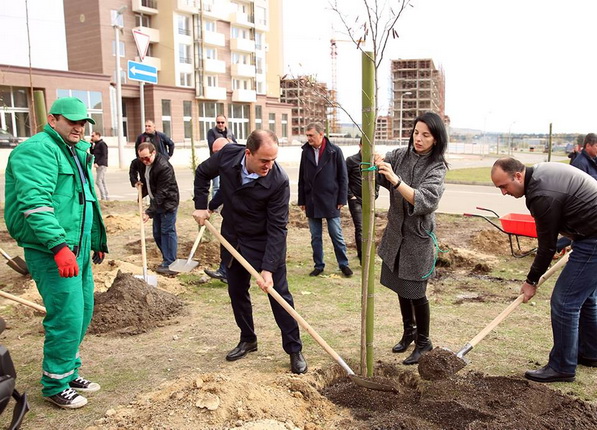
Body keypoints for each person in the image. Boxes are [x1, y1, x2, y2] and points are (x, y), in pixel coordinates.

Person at [4, 97, 108, 409]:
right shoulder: (37, 150)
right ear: (53, 119)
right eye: (71, 121)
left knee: (83, 312)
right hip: (53, 252)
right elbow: (35, 205)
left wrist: (95, 240)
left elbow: (84, 200)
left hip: (78, 249)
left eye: (82, 123)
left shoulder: (76, 151)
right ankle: (54, 384)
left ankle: (67, 371)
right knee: (66, 316)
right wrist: (59, 247)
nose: (78, 127)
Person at [192, 129, 307, 374]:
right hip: (233, 236)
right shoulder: (227, 156)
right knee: (236, 291)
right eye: (264, 160)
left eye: (273, 160)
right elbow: (203, 173)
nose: (269, 165)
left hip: (263, 240)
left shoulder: (278, 181)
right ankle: (248, 339)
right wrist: (203, 206)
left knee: (279, 295)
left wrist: (268, 269)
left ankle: (294, 349)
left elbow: (278, 228)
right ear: (248, 153)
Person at [491, 157, 597, 383]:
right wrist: (568, 239)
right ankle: (590, 352)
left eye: (504, 186)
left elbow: (546, 247)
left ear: (518, 176)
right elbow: (568, 212)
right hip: (588, 233)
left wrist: (531, 281)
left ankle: (562, 367)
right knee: (585, 297)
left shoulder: (540, 195)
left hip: (593, 238)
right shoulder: (540, 173)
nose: (503, 192)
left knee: (565, 301)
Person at [374, 112, 448, 365]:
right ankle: (409, 332)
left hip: (417, 240)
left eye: (425, 135)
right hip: (396, 235)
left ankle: (424, 342)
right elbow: (382, 161)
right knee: (401, 288)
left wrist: (395, 180)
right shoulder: (401, 155)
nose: (419, 138)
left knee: (416, 292)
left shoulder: (437, 167)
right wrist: (377, 160)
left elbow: (425, 199)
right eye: (416, 132)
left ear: (436, 139)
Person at [298, 122, 352, 277]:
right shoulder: (305, 152)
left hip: (331, 200)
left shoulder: (335, 151)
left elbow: (343, 177)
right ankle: (318, 265)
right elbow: (302, 177)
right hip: (312, 200)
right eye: (307, 135)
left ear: (321, 135)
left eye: (311, 135)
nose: (308, 138)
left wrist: (342, 198)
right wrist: (302, 200)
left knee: (336, 234)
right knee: (315, 236)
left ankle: (344, 264)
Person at [129, 142, 180, 275]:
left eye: (147, 158)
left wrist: (149, 212)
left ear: (154, 153)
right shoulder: (140, 161)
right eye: (142, 158)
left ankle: (170, 264)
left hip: (168, 202)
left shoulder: (164, 167)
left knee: (167, 232)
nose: (145, 161)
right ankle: (167, 259)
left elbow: (162, 193)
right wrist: (135, 180)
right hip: (155, 201)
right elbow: (133, 166)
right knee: (157, 233)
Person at [346, 139, 379, 263]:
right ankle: (362, 257)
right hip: (356, 200)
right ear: (360, 145)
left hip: (370, 200)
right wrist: (351, 195)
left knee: (370, 226)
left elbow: (377, 178)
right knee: (360, 227)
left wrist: (375, 193)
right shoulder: (351, 160)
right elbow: (344, 179)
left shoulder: (373, 161)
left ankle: (368, 253)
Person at [204, 137, 230, 283]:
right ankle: (224, 271)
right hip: (231, 214)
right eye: (214, 153)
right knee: (226, 240)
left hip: (246, 214)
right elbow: (222, 190)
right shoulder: (224, 167)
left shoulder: (237, 164)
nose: (216, 157)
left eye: (219, 152)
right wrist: (211, 207)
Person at [207, 115, 237, 198]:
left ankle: (225, 204)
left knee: (227, 185)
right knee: (216, 186)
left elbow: (235, 145)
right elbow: (212, 145)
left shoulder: (229, 132)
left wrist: (230, 142)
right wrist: (226, 143)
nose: (220, 124)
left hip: (228, 163)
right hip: (216, 162)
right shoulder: (211, 132)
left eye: (222, 122)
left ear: (225, 122)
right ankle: (214, 207)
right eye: (218, 122)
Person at [90, 131, 109, 200]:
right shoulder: (96, 144)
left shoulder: (102, 144)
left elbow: (104, 155)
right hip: (98, 165)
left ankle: (103, 197)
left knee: (98, 181)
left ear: (98, 135)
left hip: (102, 165)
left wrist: (98, 163)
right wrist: (91, 144)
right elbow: (92, 152)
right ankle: (106, 196)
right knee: (102, 181)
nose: (92, 137)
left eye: (93, 136)